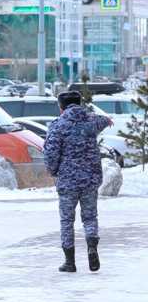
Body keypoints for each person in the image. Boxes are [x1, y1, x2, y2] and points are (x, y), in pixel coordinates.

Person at [44, 91, 113, 273]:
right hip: (90, 180)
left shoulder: (58, 126)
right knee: (90, 217)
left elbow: (51, 154)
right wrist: (107, 121)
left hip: (67, 181)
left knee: (67, 220)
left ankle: (70, 262)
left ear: (61, 107)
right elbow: (105, 119)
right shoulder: (91, 121)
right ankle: (92, 247)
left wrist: (53, 171)